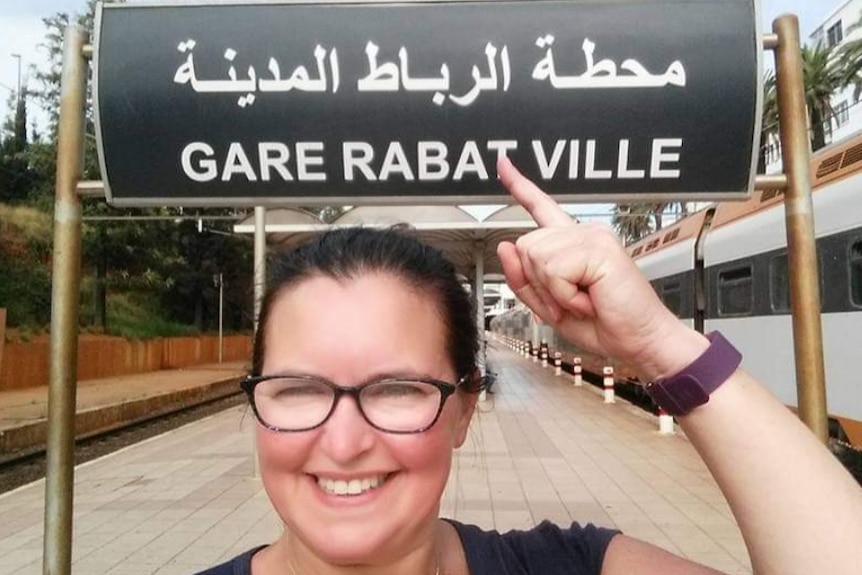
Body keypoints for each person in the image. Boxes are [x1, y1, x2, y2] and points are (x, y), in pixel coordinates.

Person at [199, 158, 862, 575]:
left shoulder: (568, 564)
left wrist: (662, 343)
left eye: (397, 388)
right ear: (255, 402)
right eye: (298, 390)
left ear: (464, 406)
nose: (343, 443)